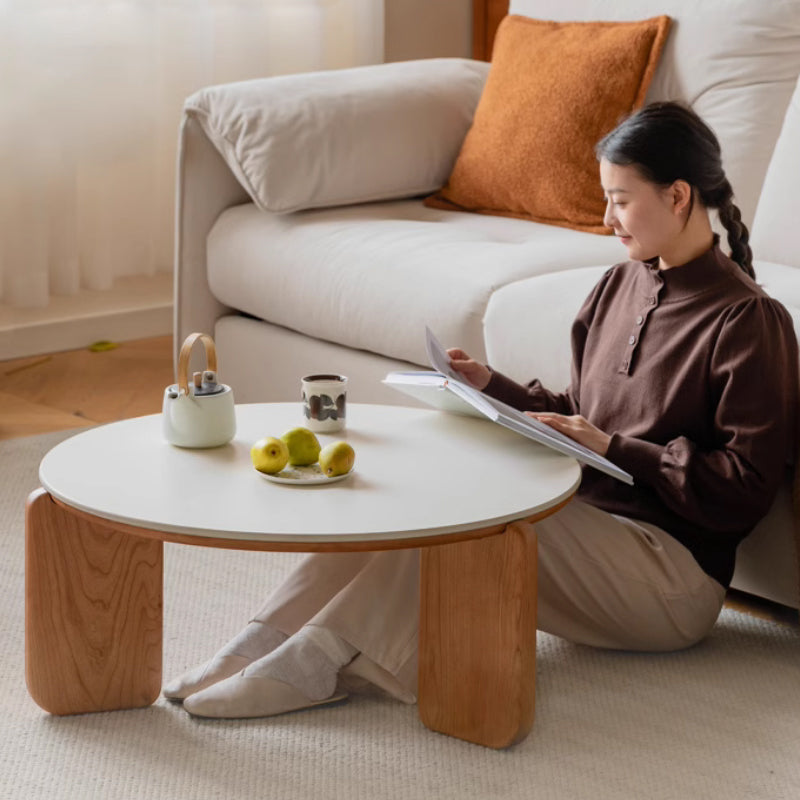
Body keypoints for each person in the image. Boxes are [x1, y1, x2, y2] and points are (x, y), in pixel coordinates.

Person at [163, 101, 799, 720]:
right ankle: (262, 640)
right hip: (587, 537)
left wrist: (613, 450)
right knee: (428, 492)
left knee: (485, 518)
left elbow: (742, 491)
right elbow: (582, 413)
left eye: (622, 199)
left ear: (680, 196)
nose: (608, 218)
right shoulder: (619, 284)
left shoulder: (749, 321)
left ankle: (314, 662)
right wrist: (489, 386)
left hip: (669, 581)